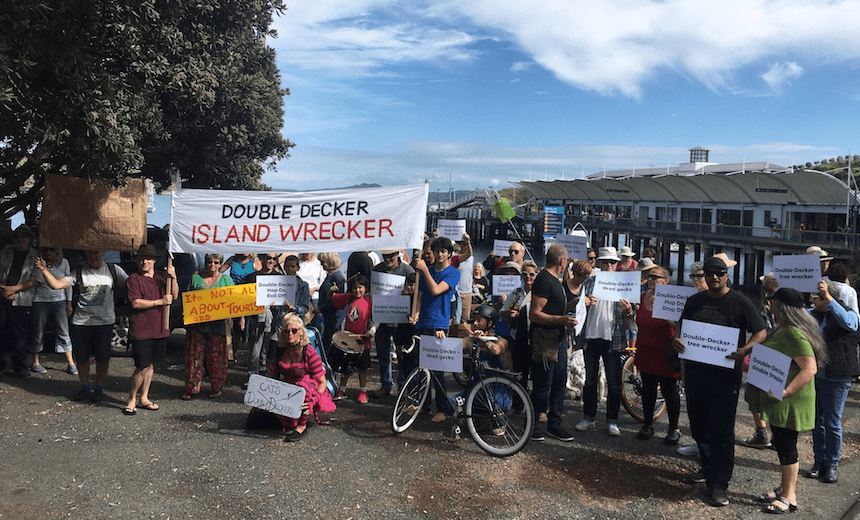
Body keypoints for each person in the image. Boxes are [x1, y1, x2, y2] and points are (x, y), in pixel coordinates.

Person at [672, 254, 766, 507]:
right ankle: (707, 468)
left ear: (727, 275)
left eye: (719, 273)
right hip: (695, 373)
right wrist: (677, 339)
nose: (714, 277)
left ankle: (719, 484)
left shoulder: (740, 302)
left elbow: (761, 331)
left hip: (725, 377)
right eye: (709, 273)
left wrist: (745, 350)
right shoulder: (694, 301)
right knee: (699, 425)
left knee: (722, 430)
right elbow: (681, 327)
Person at [746, 288, 824, 514]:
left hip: (790, 401)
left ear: (782, 307)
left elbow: (810, 368)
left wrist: (786, 391)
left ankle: (789, 496)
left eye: (773, 303)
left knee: (787, 446)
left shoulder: (794, 334)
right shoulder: (783, 328)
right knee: (782, 443)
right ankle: (783, 488)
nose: (770, 306)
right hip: (779, 399)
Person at [35, 250, 129, 402]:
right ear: (86, 255)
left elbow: (131, 284)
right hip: (81, 323)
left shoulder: (113, 270)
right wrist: (44, 270)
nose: (94, 255)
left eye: (96, 253)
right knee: (83, 358)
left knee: (103, 358)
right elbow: (57, 285)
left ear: (102, 253)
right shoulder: (78, 272)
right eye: (90, 253)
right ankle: (85, 387)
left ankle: (99, 388)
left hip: (105, 322)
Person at [806, 279, 860, 484]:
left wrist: (829, 299)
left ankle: (832, 464)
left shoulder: (846, 312)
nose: (815, 300)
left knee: (832, 421)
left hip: (838, 374)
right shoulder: (813, 315)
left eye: (819, 298)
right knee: (816, 420)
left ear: (831, 298)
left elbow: (850, 324)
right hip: (815, 374)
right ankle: (819, 460)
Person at [576, 246, 633, 437]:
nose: (609, 265)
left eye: (613, 262)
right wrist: (584, 303)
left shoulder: (624, 285)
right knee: (590, 381)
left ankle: (612, 420)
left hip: (613, 339)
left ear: (617, 265)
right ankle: (588, 417)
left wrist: (629, 312)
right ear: (599, 263)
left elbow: (633, 319)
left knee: (614, 383)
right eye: (606, 262)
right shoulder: (589, 283)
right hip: (591, 337)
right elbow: (578, 309)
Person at [529, 244, 577, 442]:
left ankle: (554, 423)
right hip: (544, 340)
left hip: (558, 338)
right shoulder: (544, 280)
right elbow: (535, 313)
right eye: (566, 260)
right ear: (561, 261)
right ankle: (532, 425)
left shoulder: (557, 281)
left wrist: (576, 305)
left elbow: (557, 307)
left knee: (559, 382)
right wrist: (562, 320)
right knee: (542, 384)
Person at [122, 244, 178, 415]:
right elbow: (136, 302)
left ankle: (144, 397)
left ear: (154, 260)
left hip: (160, 328)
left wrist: (174, 277)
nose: (144, 261)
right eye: (141, 258)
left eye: (147, 258)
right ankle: (131, 399)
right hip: (141, 329)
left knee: (151, 365)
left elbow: (174, 296)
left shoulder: (162, 278)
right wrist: (159, 302)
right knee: (141, 366)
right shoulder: (134, 279)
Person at [411, 236, 460, 423]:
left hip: (439, 324)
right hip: (423, 323)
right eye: (437, 251)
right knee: (421, 367)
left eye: (443, 252)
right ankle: (423, 405)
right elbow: (421, 296)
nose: (439, 255)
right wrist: (415, 313)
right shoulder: (427, 271)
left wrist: (424, 270)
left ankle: (444, 408)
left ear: (449, 254)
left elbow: (436, 290)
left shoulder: (453, 273)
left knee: (437, 369)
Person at [268, 313, 336, 442]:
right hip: (287, 386)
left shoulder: (308, 351)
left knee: (302, 386)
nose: (290, 334)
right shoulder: (281, 350)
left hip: (308, 388)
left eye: (294, 331)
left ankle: (301, 426)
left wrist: (314, 400)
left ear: (301, 332)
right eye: (287, 331)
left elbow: (322, 382)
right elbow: (272, 375)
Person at [633, 265, 682, 444]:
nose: (651, 280)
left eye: (655, 277)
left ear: (666, 281)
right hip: (646, 350)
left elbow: (683, 327)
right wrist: (629, 312)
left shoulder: (673, 300)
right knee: (648, 390)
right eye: (649, 277)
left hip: (665, 353)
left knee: (670, 391)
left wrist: (671, 321)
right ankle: (647, 424)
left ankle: (673, 428)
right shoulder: (643, 296)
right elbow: (637, 319)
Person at [183, 253, 232, 400]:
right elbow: (188, 298)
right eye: (209, 262)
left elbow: (234, 301)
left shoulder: (225, 280)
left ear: (220, 264)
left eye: (216, 262)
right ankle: (192, 388)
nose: (212, 265)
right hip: (197, 326)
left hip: (218, 327)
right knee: (194, 358)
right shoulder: (195, 278)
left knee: (216, 358)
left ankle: (216, 388)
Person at [371, 249, 414, 398]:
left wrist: (406, 293)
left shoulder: (408, 270)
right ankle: (386, 384)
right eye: (385, 256)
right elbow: (373, 292)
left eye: (391, 256)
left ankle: (402, 387)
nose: (388, 258)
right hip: (382, 318)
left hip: (401, 320)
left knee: (402, 355)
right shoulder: (377, 270)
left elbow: (415, 293)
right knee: (383, 354)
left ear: (398, 255)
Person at [743, 272, 779, 449]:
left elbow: (764, 334)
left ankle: (762, 433)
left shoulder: (765, 309)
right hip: (780, 357)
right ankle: (777, 436)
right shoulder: (787, 311)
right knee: (774, 396)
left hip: (765, 356)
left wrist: (747, 351)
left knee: (754, 397)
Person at [0, 224, 39, 378]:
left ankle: (20, 367)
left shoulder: (36, 255)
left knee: (20, 334)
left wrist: (13, 289)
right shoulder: (4, 253)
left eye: (24, 236)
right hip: (2, 297)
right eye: (18, 236)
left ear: (29, 239)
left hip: (22, 299)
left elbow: (35, 279)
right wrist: (4, 290)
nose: (21, 239)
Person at [29, 246, 74, 375]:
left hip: (59, 300)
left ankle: (70, 363)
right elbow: (37, 280)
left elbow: (68, 284)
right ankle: (35, 361)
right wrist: (43, 268)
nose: (49, 253)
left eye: (52, 250)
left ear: (58, 252)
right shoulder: (39, 263)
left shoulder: (64, 263)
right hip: (41, 300)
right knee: (38, 331)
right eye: (46, 251)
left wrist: (69, 302)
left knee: (63, 330)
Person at [329, 275, 375, 403]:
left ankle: (363, 391)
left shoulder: (370, 300)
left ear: (365, 288)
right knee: (345, 368)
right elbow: (332, 297)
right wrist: (331, 291)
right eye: (354, 288)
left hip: (362, 340)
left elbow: (378, 318)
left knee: (362, 368)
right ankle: (342, 389)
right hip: (347, 340)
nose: (357, 290)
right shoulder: (348, 298)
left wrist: (371, 331)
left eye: (360, 287)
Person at [244, 253, 285, 384]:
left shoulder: (280, 278)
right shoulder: (251, 277)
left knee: (268, 348)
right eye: (268, 258)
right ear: (261, 258)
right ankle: (252, 376)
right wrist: (242, 319)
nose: (271, 261)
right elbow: (244, 302)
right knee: (255, 348)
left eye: (274, 259)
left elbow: (284, 300)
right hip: (255, 317)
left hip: (274, 318)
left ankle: (265, 374)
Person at [501, 260, 539, 391]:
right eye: (525, 274)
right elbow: (502, 311)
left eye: (531, 274)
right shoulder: (516, 293)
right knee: (518, 373)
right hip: (518, 336)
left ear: (536, 275)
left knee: (536, 375)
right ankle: (517, 406)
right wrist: (509, 313)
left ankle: (536, 407)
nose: (528, 277)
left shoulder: (540, 293)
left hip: (536, 337)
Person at [317, 252, 345, 353]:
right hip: (328, 317)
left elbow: (338, 302)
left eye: (322, 262)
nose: (321, 264)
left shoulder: (337, 277)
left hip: (333, 317)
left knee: (329, 344)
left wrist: (321, 308)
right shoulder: (330, 276)